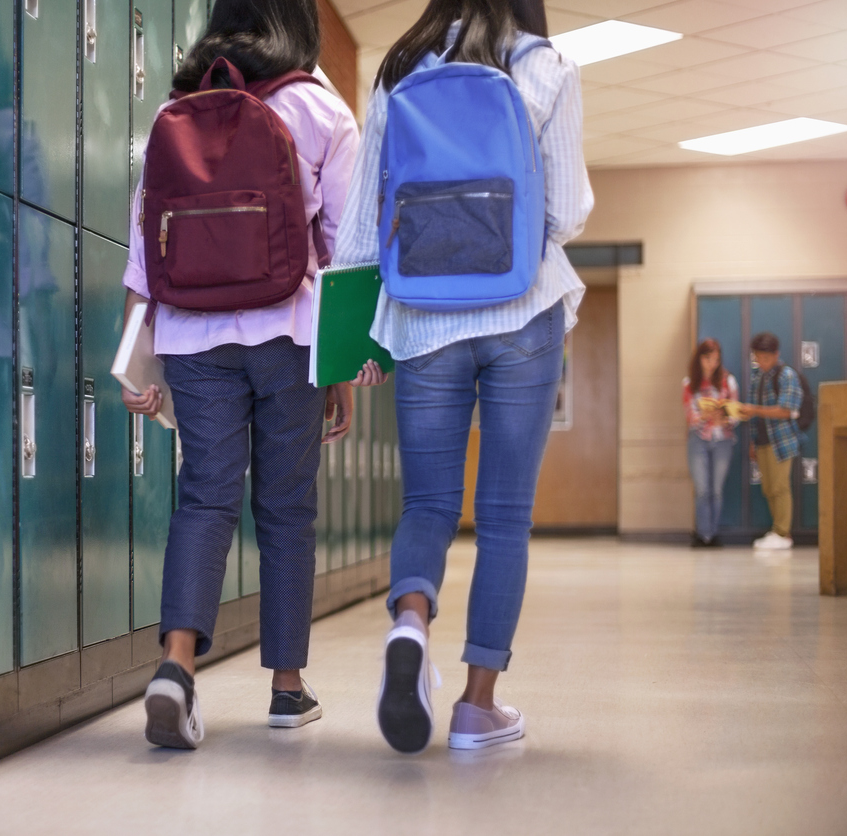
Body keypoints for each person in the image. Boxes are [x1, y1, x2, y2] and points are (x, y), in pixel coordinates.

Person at [340, 0, 592, 753]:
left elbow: (360, 226)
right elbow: (569, 210)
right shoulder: (545, 67)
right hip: (523, 307)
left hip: (421, 315)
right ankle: (478, 708)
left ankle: (410, 621)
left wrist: (359, 339)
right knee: (505, 516)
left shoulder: (398, 67)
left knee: (427, 502)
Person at [119, 0, 360, 749]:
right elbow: (345, 254)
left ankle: (176, 666)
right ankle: (286, 691)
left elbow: (144, 248)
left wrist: (135, 357)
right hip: (287, 331)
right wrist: (342, 367)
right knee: (286, 507)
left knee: (204, 498)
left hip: (191, 335)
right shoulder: (322, 110)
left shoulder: (179, 109)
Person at [736, 332, 802, 551]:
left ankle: (783, 532)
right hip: (762, 441)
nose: (761, 362)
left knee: (780, 487)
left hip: (781, 441)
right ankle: (777, 531)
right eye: (757, 358)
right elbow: (754, 416)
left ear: (776, 355)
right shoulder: (757, 376)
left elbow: (786, 411)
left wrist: (754, 410)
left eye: (765, 358)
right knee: (768, 488)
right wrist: (753, 442)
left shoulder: (787, 375)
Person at [682, 338, 739, 548]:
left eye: (716, 359)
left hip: (722, 439)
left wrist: (724, 419)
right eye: (707, 359)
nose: (712, 364)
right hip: (698, 440)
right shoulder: (690, 383)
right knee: (702, 489)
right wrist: (706, 416)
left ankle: (712, 534)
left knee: (716, 490)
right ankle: (702, 534)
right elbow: (691, 415)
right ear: (699, 359)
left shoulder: (728, 381)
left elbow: (735, 413)